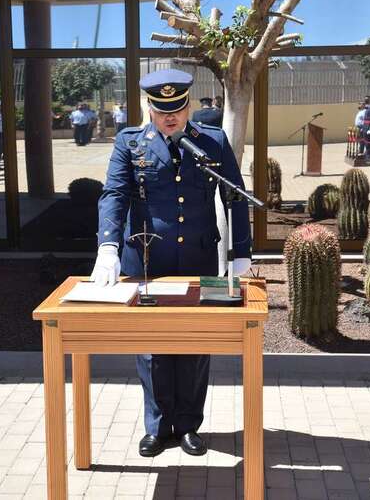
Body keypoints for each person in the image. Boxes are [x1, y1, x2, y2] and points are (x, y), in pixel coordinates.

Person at [91, 69, 252, 459]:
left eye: (177, 109)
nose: (170, 117)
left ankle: (189, 425)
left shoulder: (212, 141)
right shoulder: (131, 142)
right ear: (150, 107)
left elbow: (234, 195)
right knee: (152, 348)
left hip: (198, 256)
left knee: (195, 345)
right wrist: (108, 246)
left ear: (188, 106)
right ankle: (158, 427)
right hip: (148, 260)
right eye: (162, 110)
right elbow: (115, 194)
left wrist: (242, 250)